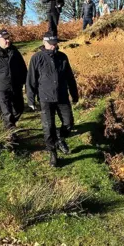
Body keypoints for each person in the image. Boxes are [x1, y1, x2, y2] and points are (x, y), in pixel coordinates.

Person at [26, 31, 79, 167]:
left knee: (68, 123)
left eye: (56, 43)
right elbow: (31, 80)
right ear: (44, 43)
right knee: (48, 128)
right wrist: (31, 99)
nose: (54, 46)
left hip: (62, 96)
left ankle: (60, 139)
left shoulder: (62, 57)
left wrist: (74, 94)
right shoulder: (36, 58)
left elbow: (70, 77)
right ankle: (53, 153)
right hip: (45, 98)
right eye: (51, 44)